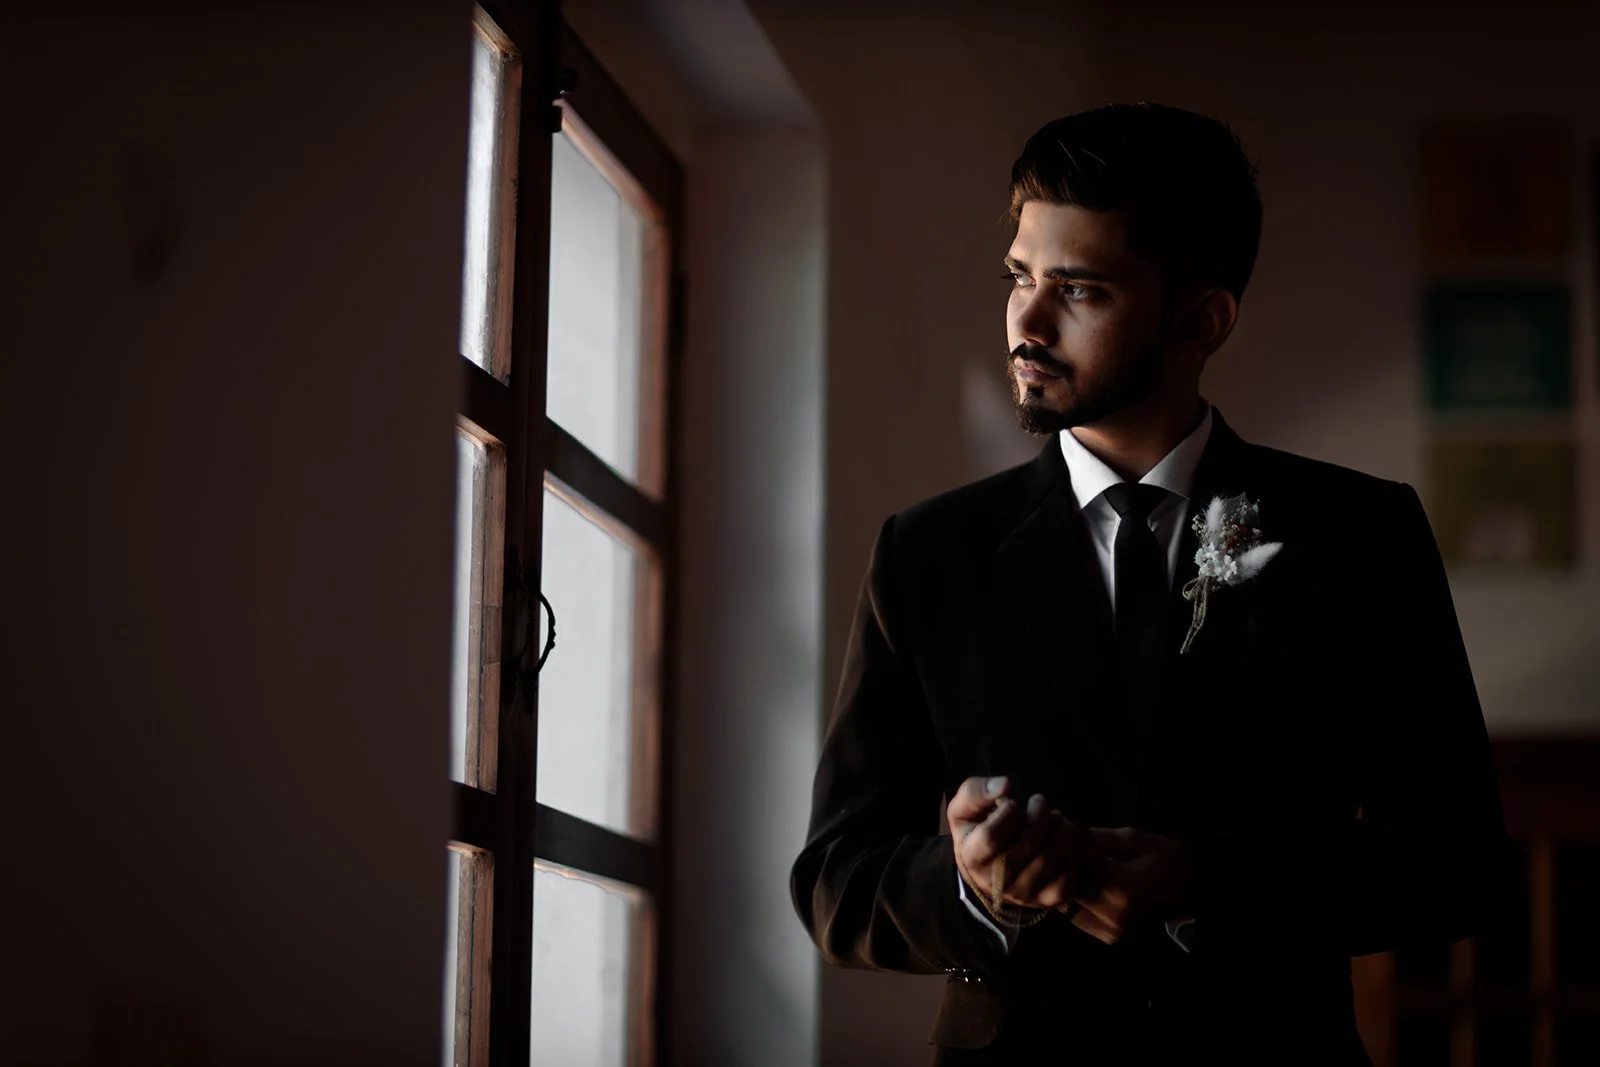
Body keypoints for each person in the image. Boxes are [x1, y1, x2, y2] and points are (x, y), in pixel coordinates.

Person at [788, 103, 1509, 1065]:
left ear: (1201, 319)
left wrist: (1205, 884)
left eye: (1078, 289)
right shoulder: (929, 553)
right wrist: (973, 888)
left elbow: (1458, 863)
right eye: (1019, 277)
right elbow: (836, 884)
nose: (1026, 322)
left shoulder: (1358, 535)